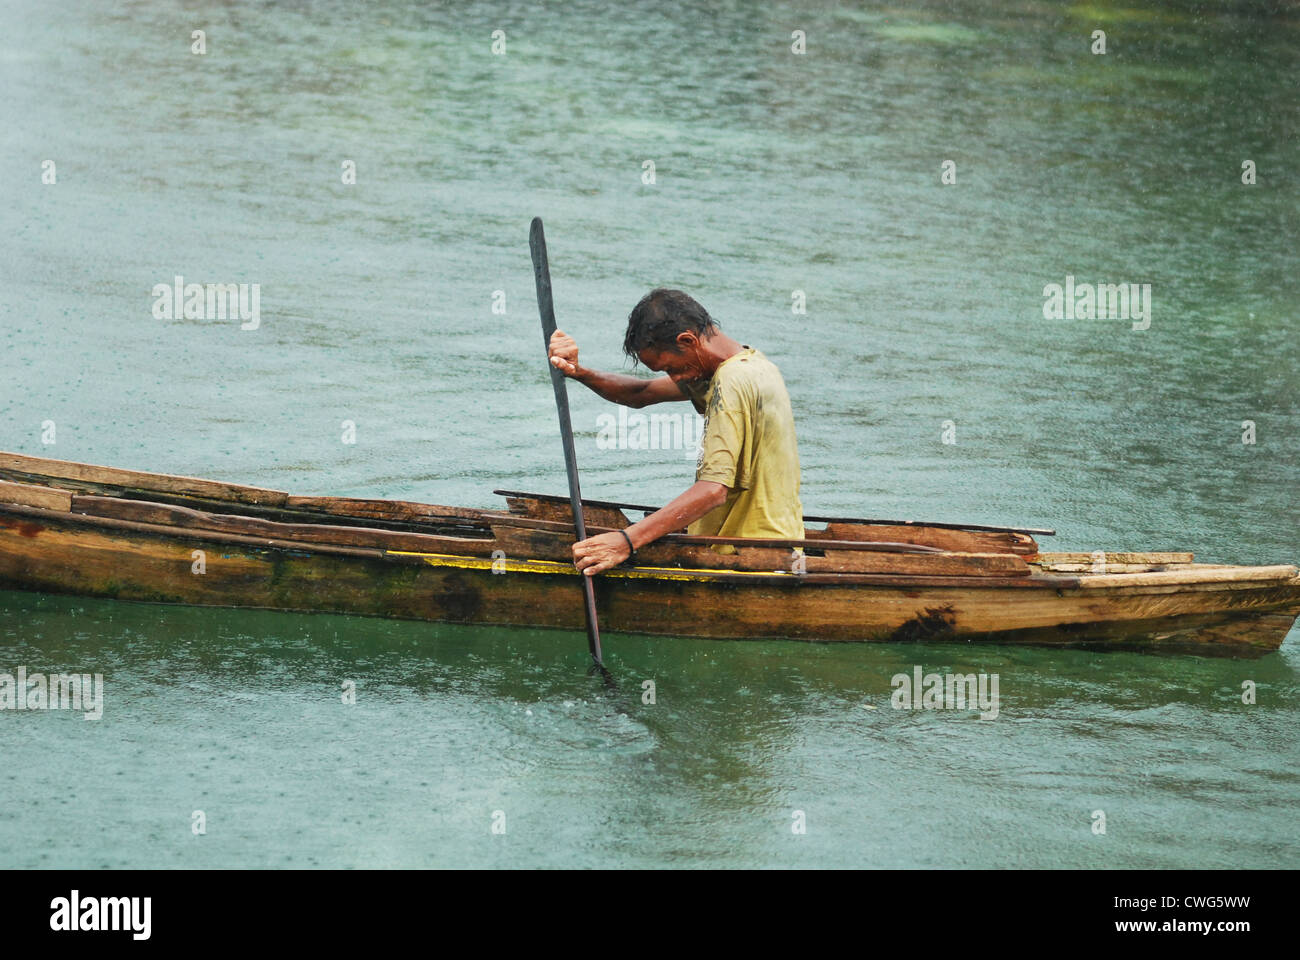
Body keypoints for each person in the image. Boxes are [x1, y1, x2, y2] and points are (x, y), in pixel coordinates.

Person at [547, 288, 803, 575]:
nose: (675, 378)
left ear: (687, 340)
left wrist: (626, 542)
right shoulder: (751, 365)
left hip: (750, 558)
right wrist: (579, 372)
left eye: (670, 368)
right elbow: (641, 392)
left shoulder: (732, 382)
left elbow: (713, 491)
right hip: (779, 544)